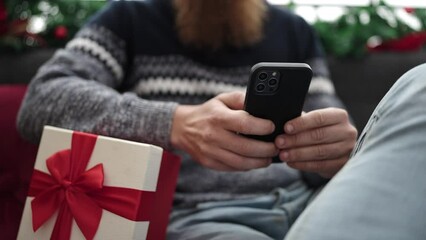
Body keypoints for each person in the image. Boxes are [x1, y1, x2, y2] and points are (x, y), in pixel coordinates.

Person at [17, 0, 358, 239]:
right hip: (198, 215)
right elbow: (42, 100)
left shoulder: (294, 30)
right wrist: (174, 123)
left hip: (312, 206)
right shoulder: (128, 17)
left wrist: (337, 154)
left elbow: (329, 134)